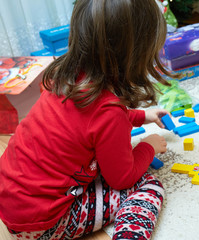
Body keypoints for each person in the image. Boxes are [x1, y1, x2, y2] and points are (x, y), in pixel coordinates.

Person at [0, 0, 175, 239]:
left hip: (14, 203)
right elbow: (122, 178)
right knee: (148, 185)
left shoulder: (66, 78)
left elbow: (91, 124)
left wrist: (143, 116)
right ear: (136, 55)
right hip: (43, 223)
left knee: (105, 162)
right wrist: (148, 147)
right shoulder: (108, 111)